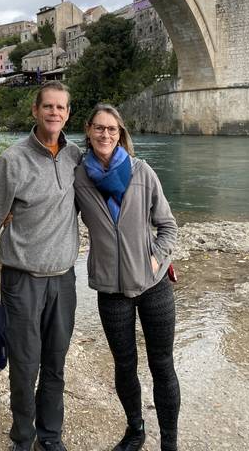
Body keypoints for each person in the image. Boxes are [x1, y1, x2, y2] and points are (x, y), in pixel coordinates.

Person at [0, 80, 81, 451]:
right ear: (35, 111)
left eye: (61, 108)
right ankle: (23, 437)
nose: (54, 113)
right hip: (22, 281)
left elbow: (113, 173)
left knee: (55, 363)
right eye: (48, 106)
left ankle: (50, 437)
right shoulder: (11, 160)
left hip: (63, 280)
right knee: (24, 365)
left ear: (68, 114)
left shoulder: (75, 157)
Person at [74, 104, 180, 451]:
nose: (106, 135)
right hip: (111, 288)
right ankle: (135, 430)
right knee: (124, 365)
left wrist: (155, 260)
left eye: (113, 130)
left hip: (154, 285)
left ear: (121, 134)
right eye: (99, 128)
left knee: (162, 363)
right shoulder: (79, 178)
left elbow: (168, 226)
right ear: (88, 131)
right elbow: (53, 208)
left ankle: (169, 440)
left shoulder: (142, 171)